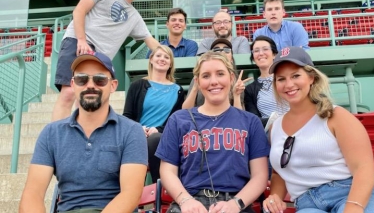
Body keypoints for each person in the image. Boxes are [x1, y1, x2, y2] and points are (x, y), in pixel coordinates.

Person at [263, 46, 374, 213]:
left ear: (311, 78)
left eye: (296, 76)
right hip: (307, 203)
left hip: (352, 193)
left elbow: (363, 168)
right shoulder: (275, 127)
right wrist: (275, 195)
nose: (289, 84)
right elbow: (279, 173)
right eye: (281, 79)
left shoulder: (336, 116)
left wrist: (353, 206)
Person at [19, 52, 148, 213]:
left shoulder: (131, 131)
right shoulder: (51, 133)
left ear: (113, 85)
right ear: (73, 84)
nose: (90, 85)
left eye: (100, 79)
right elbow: (33, 193)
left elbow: (131, 194)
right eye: (82, 79)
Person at [156, 51, 269, 213]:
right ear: (197, 82)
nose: (214, 81)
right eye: (206, 76)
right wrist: (185, 200)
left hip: (235, 201)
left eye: (220, 74)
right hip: (191, 202)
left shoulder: (250, 121)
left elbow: (260, 175)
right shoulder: (179, 120)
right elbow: (167, 170)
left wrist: (235, 204)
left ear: (231, 78)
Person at [52, 0, 160, 122]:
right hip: (78, 41)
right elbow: (79, 10)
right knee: (69, 93)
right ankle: (56, 141)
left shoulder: (135, 17)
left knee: (89, 101)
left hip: (101, 58)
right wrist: (81, 40)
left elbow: (151, 41)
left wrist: (168, 55)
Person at [123, 45, 184, 183]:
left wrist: (158, 130)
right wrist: (139, 129)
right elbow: (127, 116)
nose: (162, 59)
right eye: (158, 56)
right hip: (137, 134)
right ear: (151, 59)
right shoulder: (137, 85)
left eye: (166, 57)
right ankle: (133, 197)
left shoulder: (178, 90)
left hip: (163, 136)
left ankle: (162, 190)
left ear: (170, 63)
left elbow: (175, 120)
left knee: (155, 139)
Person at [183, 38, 251, 110]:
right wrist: (195, 88)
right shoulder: (198, 79)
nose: (222, 52)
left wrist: (236, 95)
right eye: (216, 50)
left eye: (227, 50)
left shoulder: (237, 82)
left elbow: (240, 117)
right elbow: (185, 111)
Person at [244, 36, 289, 128]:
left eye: (265, 49)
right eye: (256, 51)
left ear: (274, 54)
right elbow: (254, 119)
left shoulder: (288, 78)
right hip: (270, 133)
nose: (261, 53)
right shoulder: (250, 89)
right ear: (253, 58)